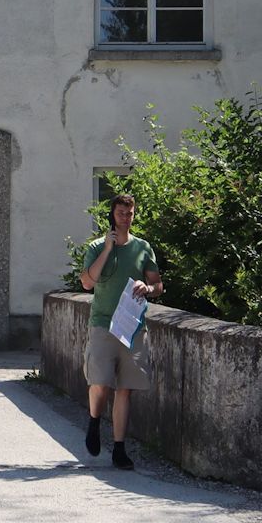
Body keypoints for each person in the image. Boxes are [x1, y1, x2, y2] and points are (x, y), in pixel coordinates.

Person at [77, 193, 164, 470]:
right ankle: (93, 421)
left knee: (125, 389)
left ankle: (119, 448)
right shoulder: (95, 246)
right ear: (112, 215)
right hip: (103, 323)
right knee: (100, 383)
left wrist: (147, 288)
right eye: (120, 213)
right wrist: (106, 249)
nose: (125, 218)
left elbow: (158, 285)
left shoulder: (143, 248)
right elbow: (87, 284)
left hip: (133, 326)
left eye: (129, 213)